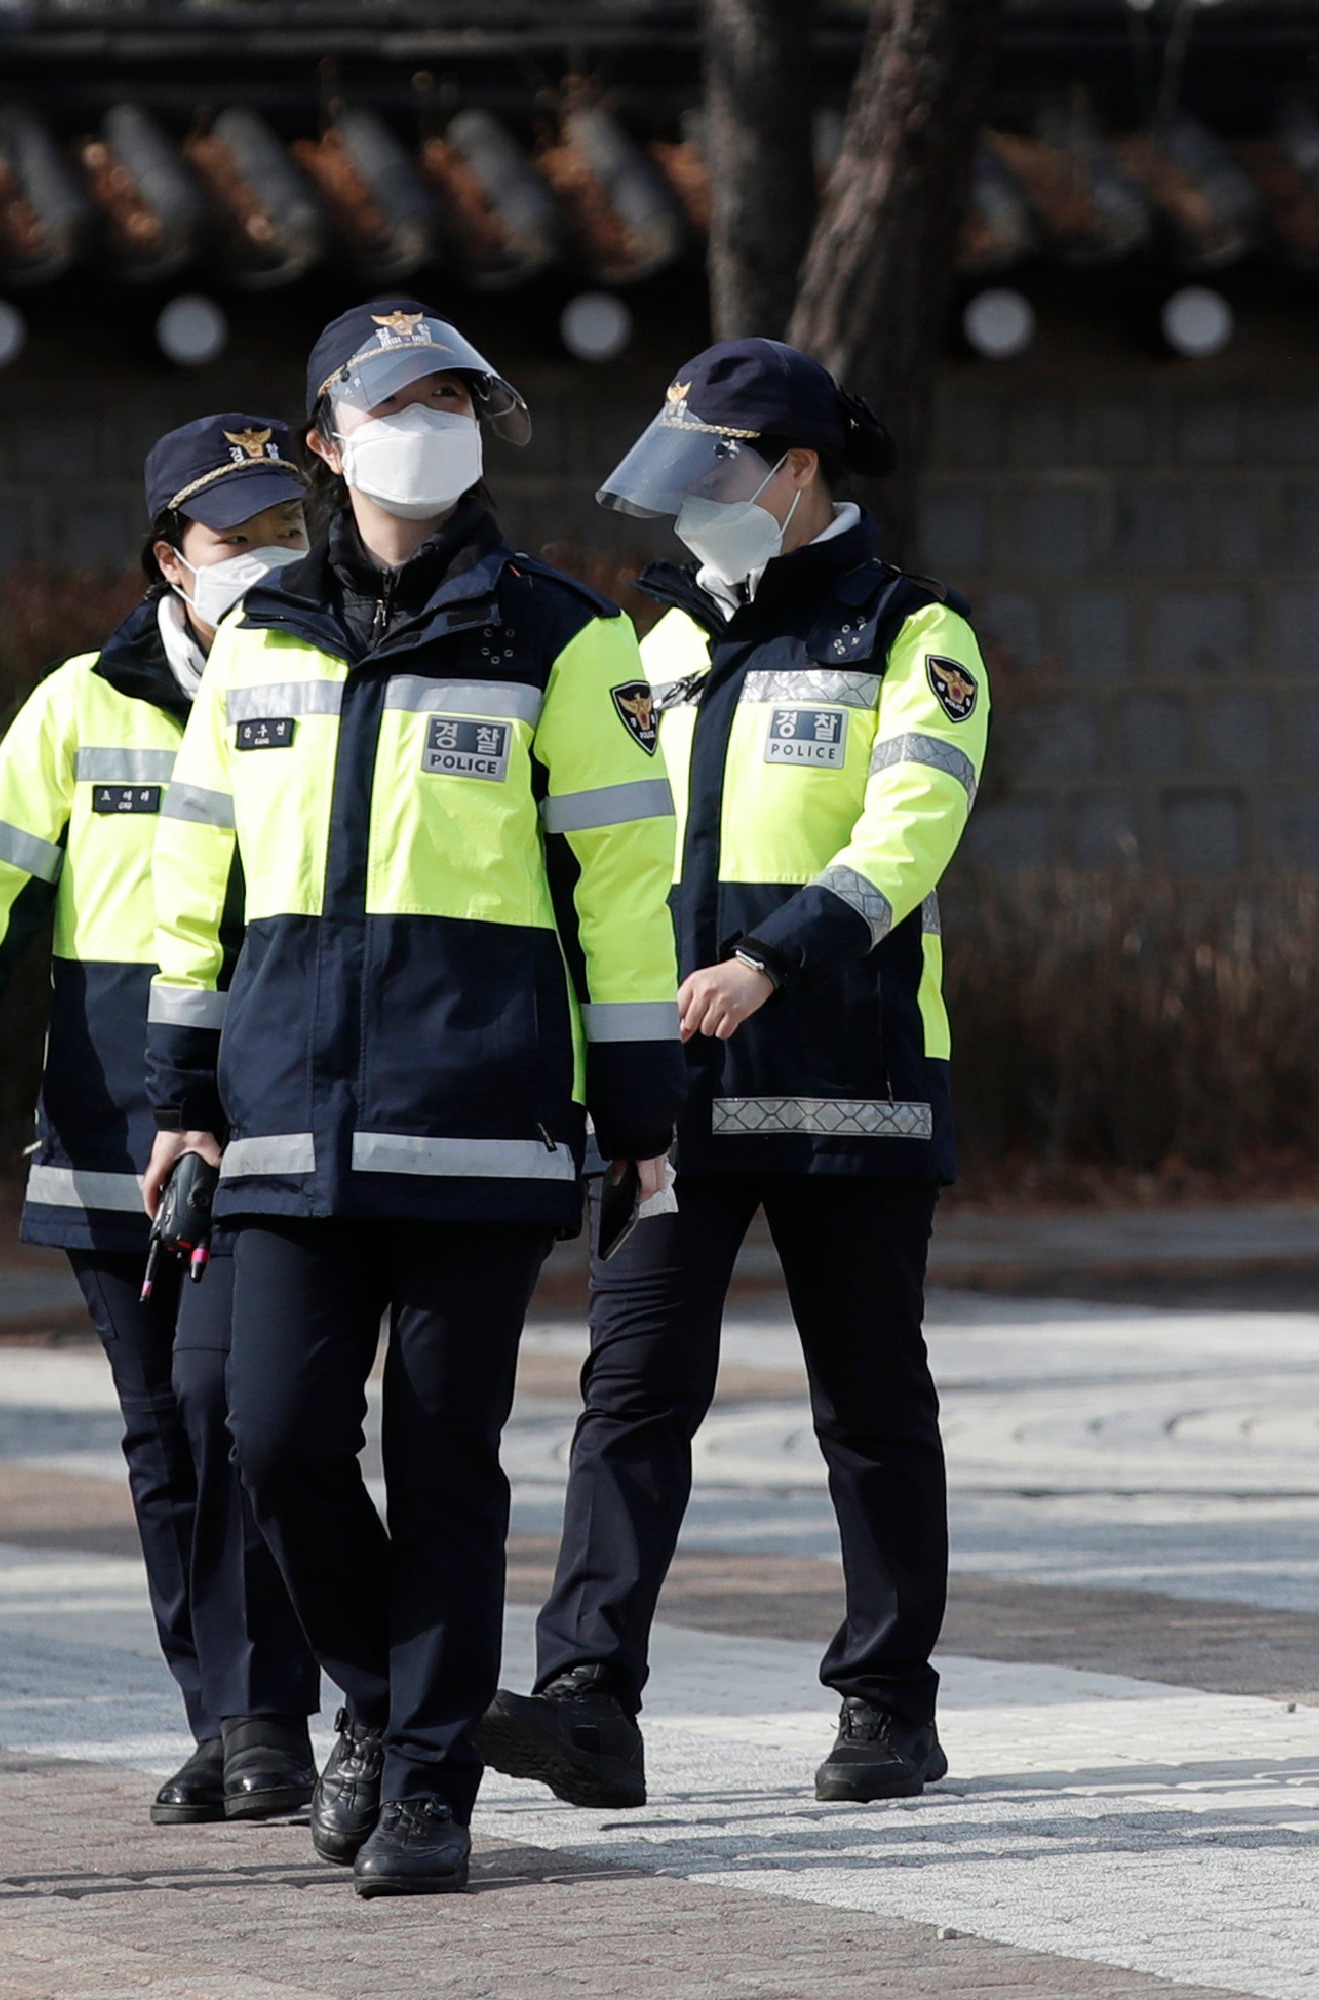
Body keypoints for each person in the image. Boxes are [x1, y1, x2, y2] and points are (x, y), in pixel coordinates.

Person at [143, 301, 685, 1895]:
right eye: (403, 401)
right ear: (328, 440)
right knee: (274, 1434)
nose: (435, 421)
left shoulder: (563, 636)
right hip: (283, 1123)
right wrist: (181, 1089)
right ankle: (386, 1708)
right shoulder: (260, 635)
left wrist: (636, 1113)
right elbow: (196, 882)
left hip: (482, 1118)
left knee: (446, 1455)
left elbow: (625, 889)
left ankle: (432, 1782)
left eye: (459, 398)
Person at [480, 338, 987, 1810]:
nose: (692, 509)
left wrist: (773, 956)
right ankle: (587, 1699)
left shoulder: (915, 634)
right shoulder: (656, 646)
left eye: (719, 476)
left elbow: (908, 835)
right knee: (629, 1392)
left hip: (850, 1074)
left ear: (797, 474)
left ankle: (889, 1703)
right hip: (670, 1095)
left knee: (870, 1405)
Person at [0, 413, 323, 1825]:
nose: (273, 560)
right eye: (240, 539)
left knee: (239, 1413)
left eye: (292, 528)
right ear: (170, 559)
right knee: (163, 1434)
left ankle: (275, 1712)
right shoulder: (82, 703)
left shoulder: (337, 684)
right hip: (110, 1127)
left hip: (271, 1115)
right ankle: (219, 1715)